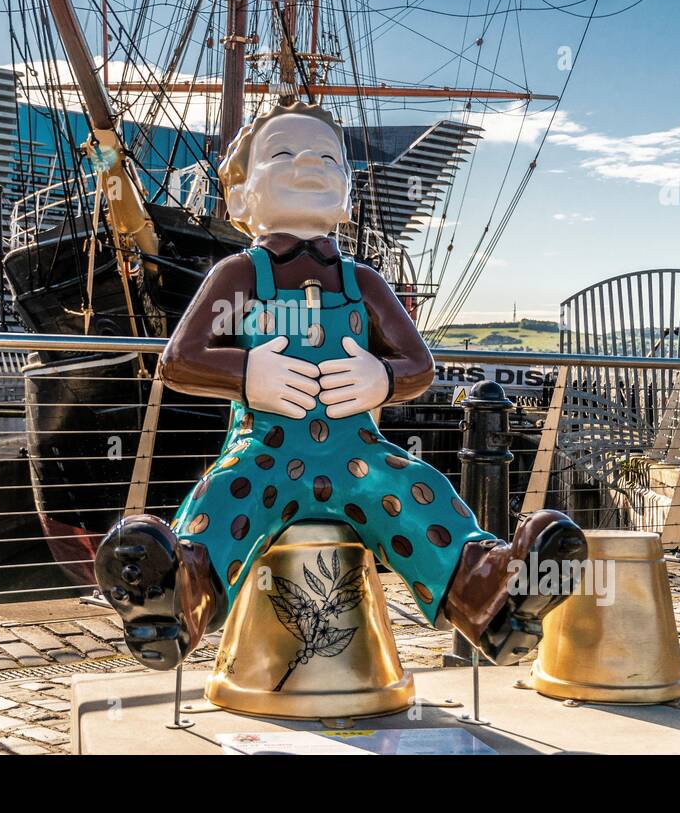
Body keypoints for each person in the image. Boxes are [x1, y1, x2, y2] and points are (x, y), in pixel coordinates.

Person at [94, 101, 587, 671]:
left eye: (328, 157)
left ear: (347, 197)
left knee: (414, 491)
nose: (308, 161)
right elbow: (179, 360)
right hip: (265, 450)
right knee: (227, 495)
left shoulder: (364, 282)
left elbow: (418, 366)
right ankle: (178, 597)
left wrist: (382, 377)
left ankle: (490, 597)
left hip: (357, 453)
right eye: (282, 154)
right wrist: (251, 374)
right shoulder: (237, 275)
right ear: (241, 198)